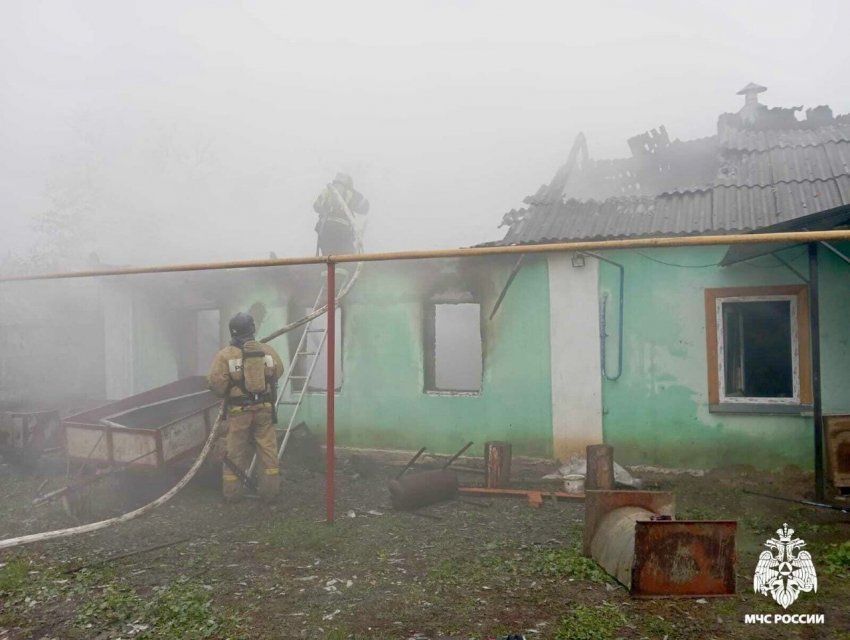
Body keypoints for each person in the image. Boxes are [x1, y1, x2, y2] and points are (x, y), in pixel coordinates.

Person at [207, 312, 284, 502]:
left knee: (235, 452)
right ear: (253, 329)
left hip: (238, 412)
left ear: (232, 331)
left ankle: (233, 494)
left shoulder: (225, 355)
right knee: (268, 451)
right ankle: (269, 492)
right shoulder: (267, 351)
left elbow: (216, 385)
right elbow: (278, 372)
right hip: (264, 410)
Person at [313, 172, 369, 255]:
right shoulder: (350, 193)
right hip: (343, 233)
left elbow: (316, 206)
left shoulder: (327, 191)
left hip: (326, 232)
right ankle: (346, 267)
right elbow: (365, 208)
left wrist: (327, 208)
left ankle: (331, 267)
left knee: (329, 259)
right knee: (347, 260)